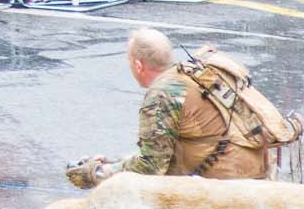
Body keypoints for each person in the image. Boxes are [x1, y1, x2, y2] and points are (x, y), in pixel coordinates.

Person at [67, 29, 290, 187]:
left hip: (224, 185)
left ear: (138, 65)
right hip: (253, 170)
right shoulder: (193, 74)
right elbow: (165, 151)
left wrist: (100, 173)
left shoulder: (162, 93)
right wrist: (116, 162)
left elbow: (151, 166)